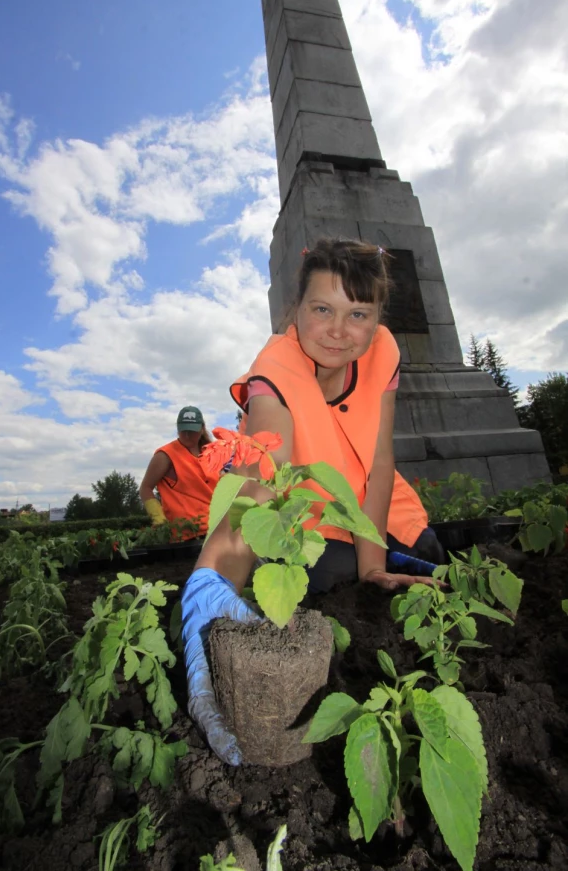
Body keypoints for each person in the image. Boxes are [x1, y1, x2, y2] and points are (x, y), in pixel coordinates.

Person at [180, 239, 442, 764]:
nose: (340, 331)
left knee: (428, 557)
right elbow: (260, 476)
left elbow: (381, 458)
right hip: (315, 521)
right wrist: (210, 580)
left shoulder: (383, 352)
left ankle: (374, 561)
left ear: (376, 321)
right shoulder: (273, 369)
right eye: (322, 309)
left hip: (376, 507)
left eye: (358, 314)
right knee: (325, 578)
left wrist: (375, 566)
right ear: (294, 312)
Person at [139, 406, 219, 539]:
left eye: (192, 431)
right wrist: (159, 519)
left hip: (216, 529)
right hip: (185, 535)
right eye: (184, 431)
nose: (187, 435)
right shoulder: (165, 455)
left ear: (202, 429)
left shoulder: (212, 453)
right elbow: (145, 488)